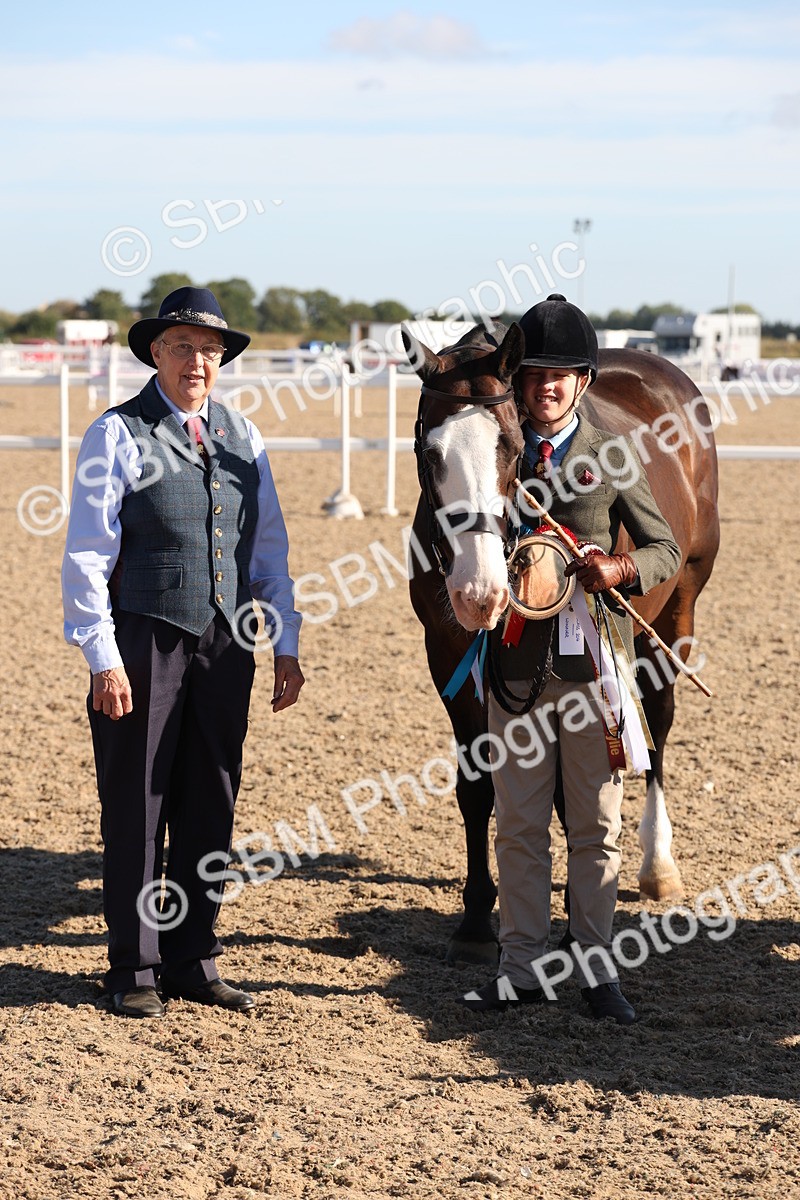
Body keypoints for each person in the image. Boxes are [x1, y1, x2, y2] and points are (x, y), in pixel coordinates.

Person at [62, 286, 304, 1018]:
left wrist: (286, 642)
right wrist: (103, 657)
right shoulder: (115, 433)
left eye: (210, 350)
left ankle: (193, 958)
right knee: (138, 801)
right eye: (183, 347)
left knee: (212, 798)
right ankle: (133, 968)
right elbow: (86, 555)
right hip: (145, 635)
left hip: (227, 641)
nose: (197, 361)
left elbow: (267, 549)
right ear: (156, 353)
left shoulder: (244, 436)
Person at [462, 294, 681, 1023]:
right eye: (534, 376)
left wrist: (620, 569)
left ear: (582, 382)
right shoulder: (494, 449)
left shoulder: (611, 454)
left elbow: (665, 548)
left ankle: (596, 968)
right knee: (519, 828)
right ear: (518, 382)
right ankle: (519, 968)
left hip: (594, 671)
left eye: (559, 376)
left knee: (595, 829)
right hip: (515, 670)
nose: (546, 388)